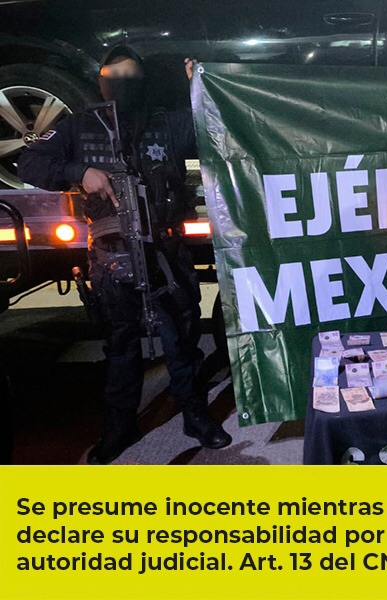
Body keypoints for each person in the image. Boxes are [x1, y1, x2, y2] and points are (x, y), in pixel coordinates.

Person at [18, 47, 231, 463]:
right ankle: (120, 426)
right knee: (121, 346)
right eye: (113, 72)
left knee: (181, 340)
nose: (121, 80)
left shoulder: (166, 124)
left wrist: (200, 88)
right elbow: (30, 163)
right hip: (112, 257)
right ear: (101, 79)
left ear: (143, 79)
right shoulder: (78, 126)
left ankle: (194, 415)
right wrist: (80, 172)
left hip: (165, 254)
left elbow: (216, 129)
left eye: (131, 73)